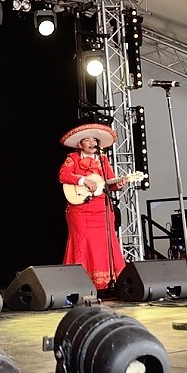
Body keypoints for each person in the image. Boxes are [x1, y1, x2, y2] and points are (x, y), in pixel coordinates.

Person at [58, 123, 128, 290]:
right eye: (87, 140)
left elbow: (109, 183)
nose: (91, 143)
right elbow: (63, 175)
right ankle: (80, 283)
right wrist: (83, 180)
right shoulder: (73, 158)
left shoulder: (103, 160)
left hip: (101, 209)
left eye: (94, 140)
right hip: (80, 209)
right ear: (80, 144)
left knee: (105, 242)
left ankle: (108, 281)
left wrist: (119, 184)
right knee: (82, 243)